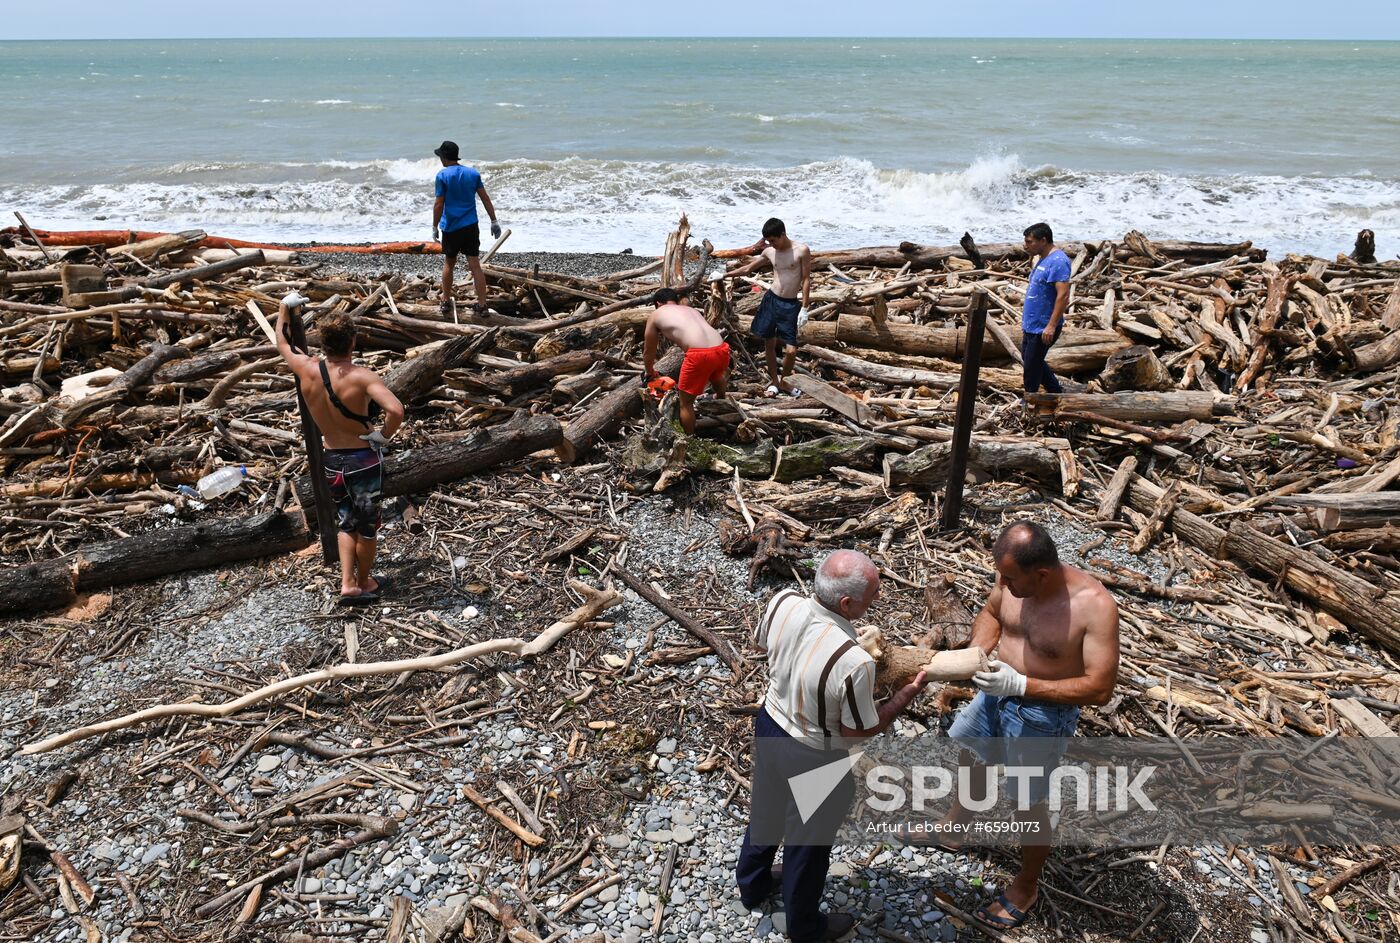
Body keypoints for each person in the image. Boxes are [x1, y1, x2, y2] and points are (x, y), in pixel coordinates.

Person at [737, 550, 929, 941]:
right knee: (808, 846)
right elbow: (859, 730)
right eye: (872, 595)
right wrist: (903, 697)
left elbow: (762, 647)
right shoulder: (854, 661)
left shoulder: (782, 601)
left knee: (766, 810)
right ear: (846, 603)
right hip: (813, 754)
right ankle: (805, 928)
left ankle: (753, 885)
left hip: (770, 723)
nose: (876, 600)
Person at [938, 521, 1120, 931]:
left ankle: (1026, 884)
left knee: (1027, 801)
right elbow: (991, 611)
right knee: (972, 758)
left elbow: (1100, 687)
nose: (1001, 584)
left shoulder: (1094, 606)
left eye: (1009, 578)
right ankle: (954, 829)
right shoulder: (1013, 581)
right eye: (1000, 575)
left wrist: (1023, 684)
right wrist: (978, 652)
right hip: (994, 694)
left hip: (1042, 714)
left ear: (1041, 574)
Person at [274, 292, 405, 605]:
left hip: (332, 458)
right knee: (368, 526)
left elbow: (282, 342)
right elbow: (396, 411)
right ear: (353, 341)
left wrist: (283, 307)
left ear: (322, 342)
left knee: (346, 522)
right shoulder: (361, 377)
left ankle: (347, 583)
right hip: (362, 459)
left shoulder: (307, 369)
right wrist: (383, 436)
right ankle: (364, 581)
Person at [722, 217, 811, 397]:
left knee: (791, 350)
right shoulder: (770, 252)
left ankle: (785, 381)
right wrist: (723, 275)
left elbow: (806, 279)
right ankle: (775, 382)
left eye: (773, 240)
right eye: (769, 241)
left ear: (783, 234)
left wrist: (805, 308)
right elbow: (748, 269)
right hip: (771, 300)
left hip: (790, 304)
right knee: (768, 343)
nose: (771, 244)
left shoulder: (801, 250)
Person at [642, 288, 730, 434]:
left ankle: (688, 442)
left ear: (658, 303)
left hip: (699, 355)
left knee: (685, 404)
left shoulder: (656, 314)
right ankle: (721, 400)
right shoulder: (691, 310)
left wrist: (649, 371)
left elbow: (648, 351)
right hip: (721, 348)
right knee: (715, 375)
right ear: (676, 301)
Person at [432, 140, 502, 317]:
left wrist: (434, 226)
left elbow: (439, 204)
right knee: (475, 265)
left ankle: (446, 301)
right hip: (470, 225)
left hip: (451, 227)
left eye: (440, 155)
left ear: (444, 157)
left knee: (449, 263)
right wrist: (494, 220)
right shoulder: (472, 174)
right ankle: (482, 305)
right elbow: (485, 198)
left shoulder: (442, 176)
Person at [1020, 222, 1072, 400]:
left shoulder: (1058, 261)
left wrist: (1050, 326)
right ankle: (1056, 392)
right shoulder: (1042, 257)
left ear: (1043, 240)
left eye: (1029, 242)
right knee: (1031, 361)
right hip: (1032, 324)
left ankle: (1029, 401)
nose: (1025, 245)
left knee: (1031, 368)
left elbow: (1063, 295)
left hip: (1043, 326)